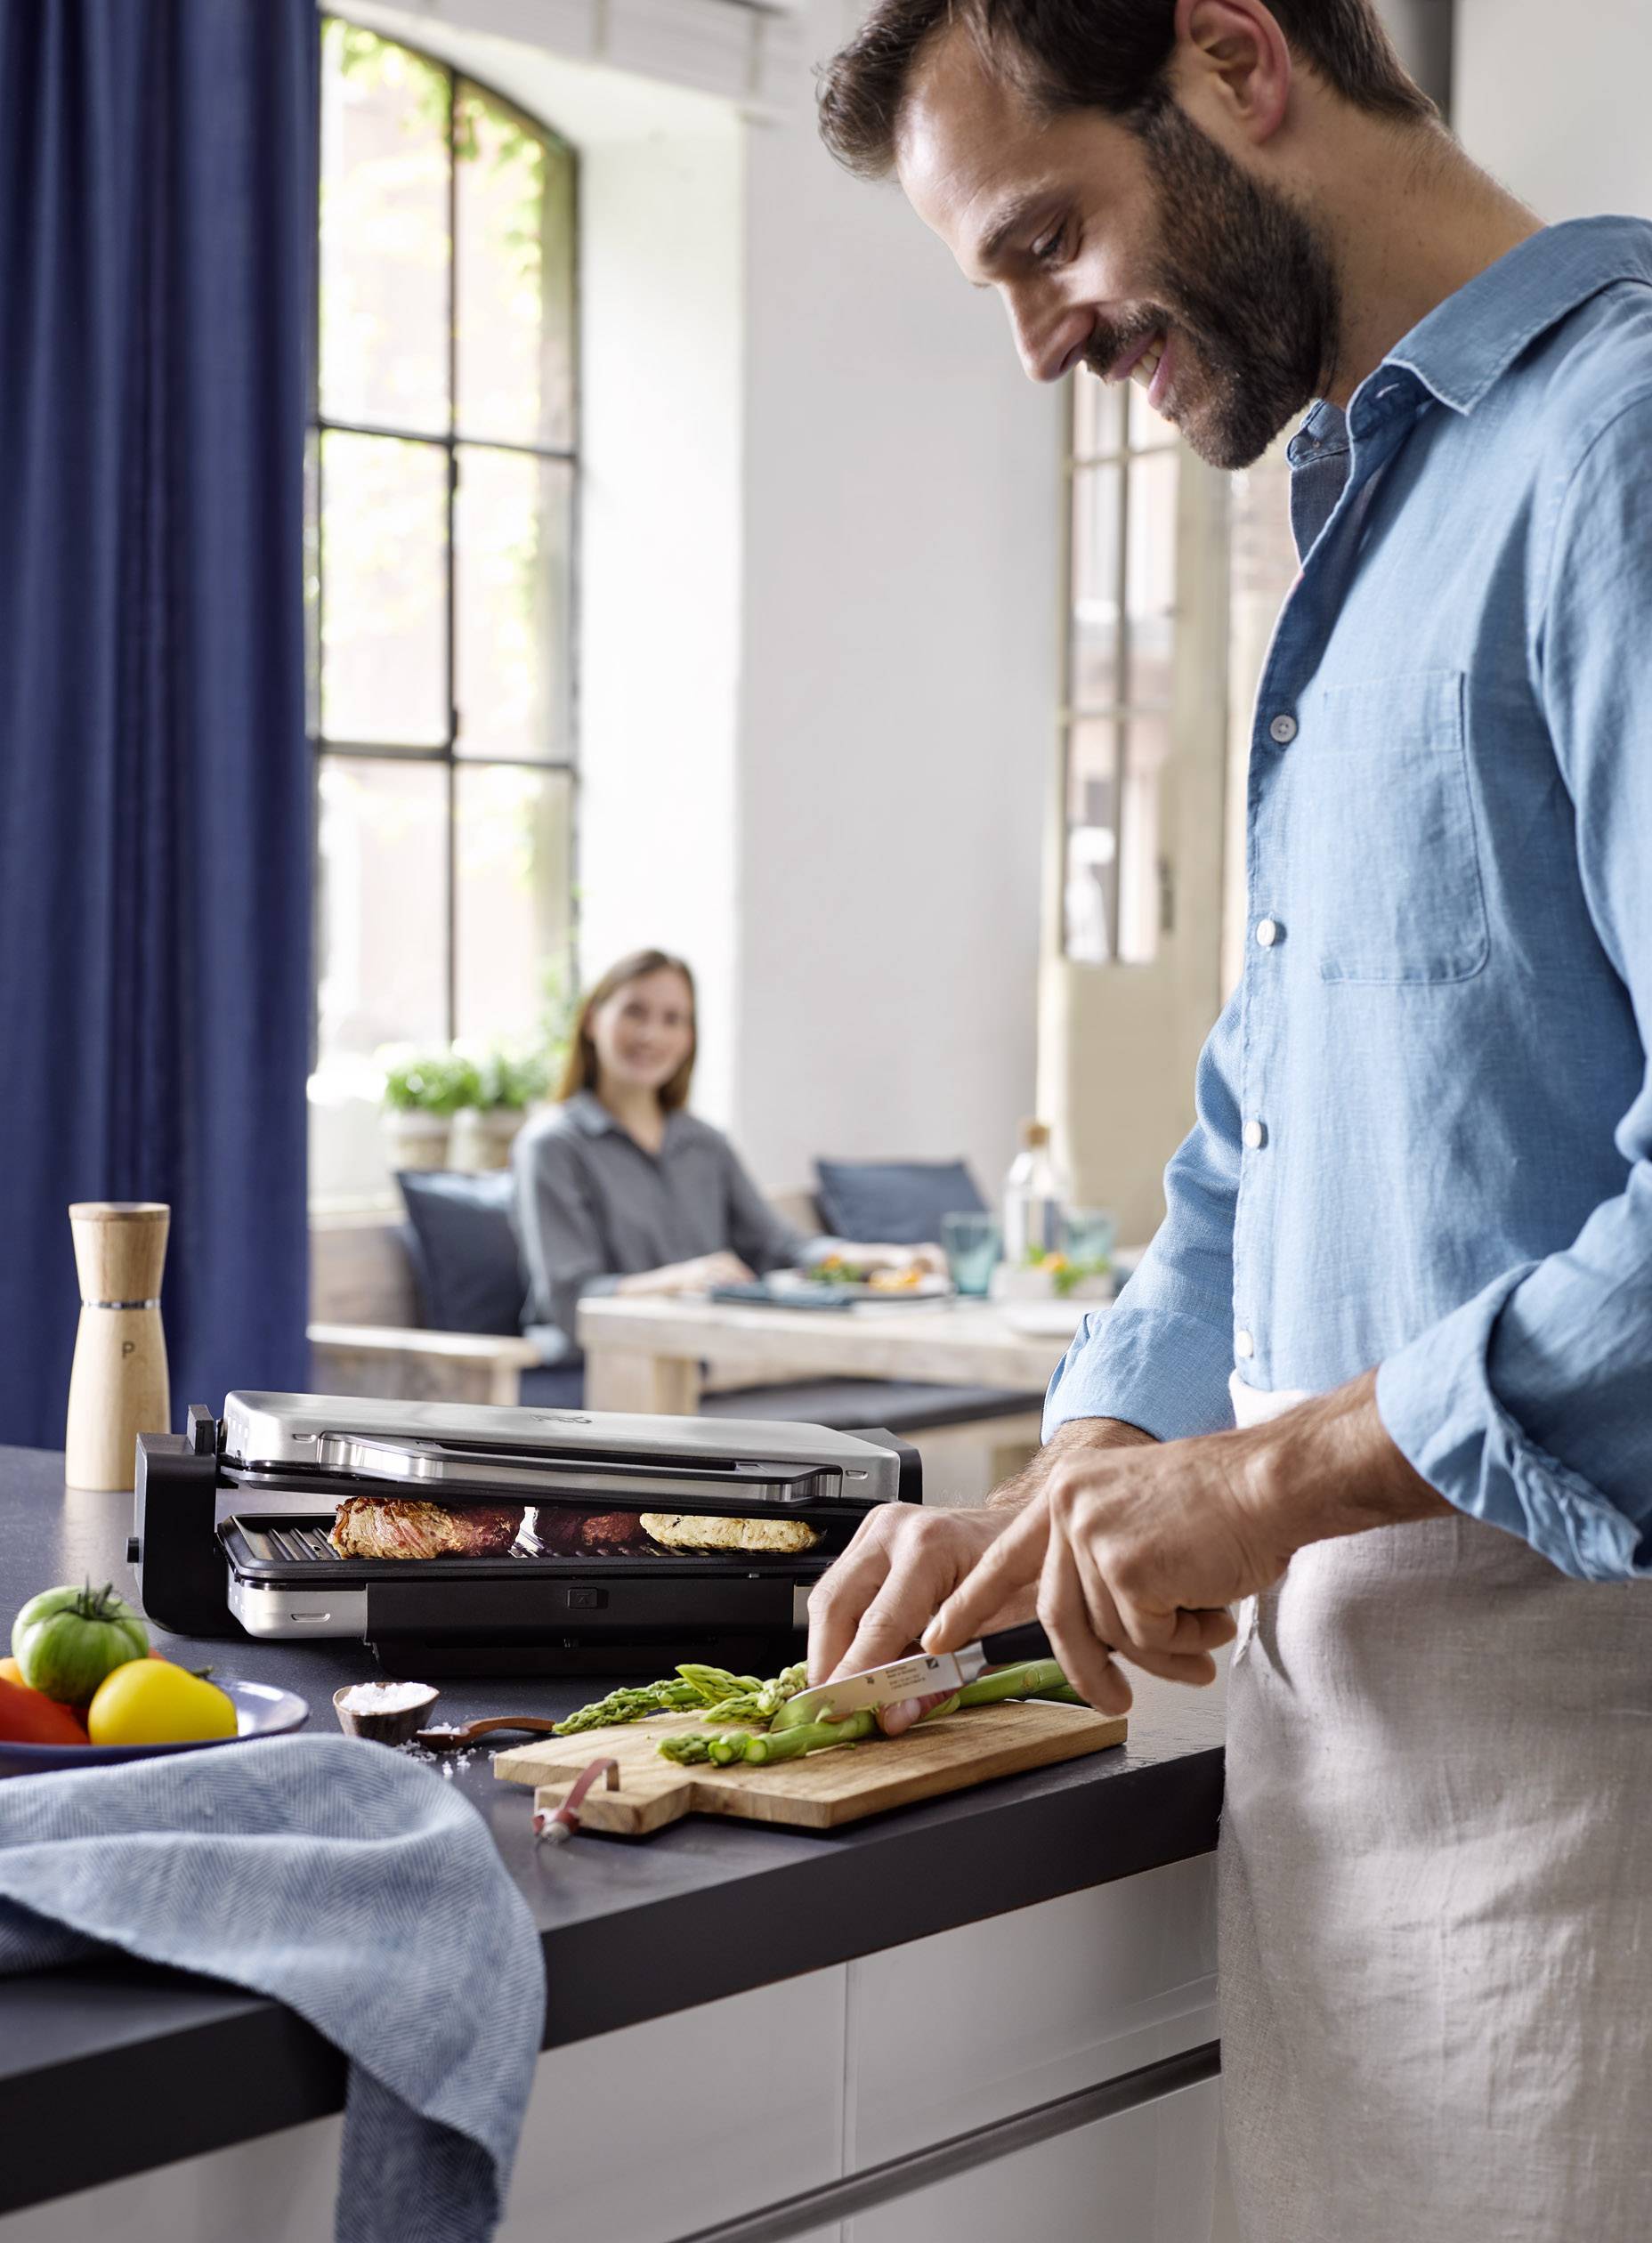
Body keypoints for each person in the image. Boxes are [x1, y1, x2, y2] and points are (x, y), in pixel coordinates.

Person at [806, 4, 1652, 2238]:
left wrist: (1268, 1476)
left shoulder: (1625, 447)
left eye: (1046, 238)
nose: (1034, 344)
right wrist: (1082, 1466)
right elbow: (1270, 1122)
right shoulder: (1365, 512)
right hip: (1345, 1773)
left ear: (1232, 57)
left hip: (1589, 1748)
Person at [513, 948, 936, 1364]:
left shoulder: (705, 1144)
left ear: (689, 1038)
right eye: (634, 1012)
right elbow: (569, 1299)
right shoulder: (552, 1145)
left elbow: (782, 1249)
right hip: (598, 1369)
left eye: (672, 1019)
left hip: (700, 1363)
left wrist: (882, 1258)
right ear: (591, 1020)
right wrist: (683, 1279)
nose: (651, 1035)